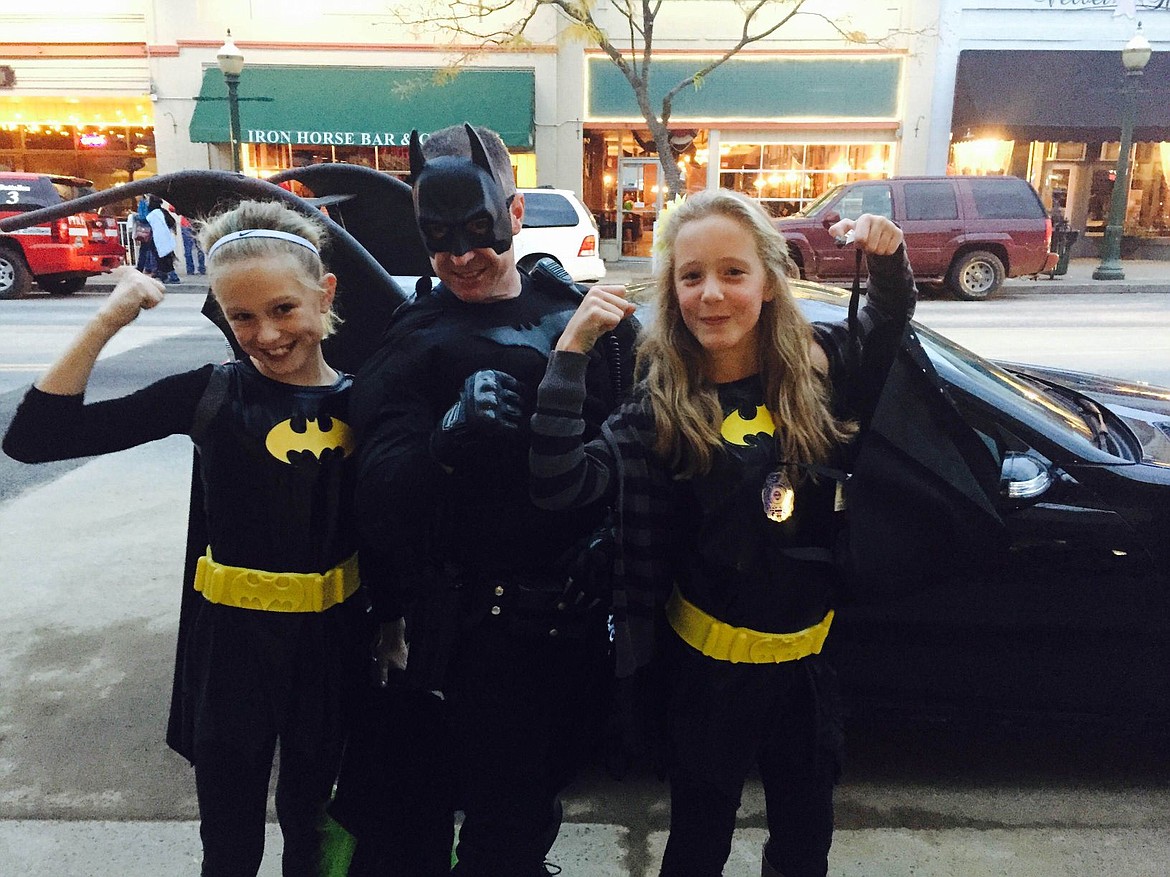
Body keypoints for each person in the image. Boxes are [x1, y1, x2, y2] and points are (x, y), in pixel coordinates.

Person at [528, 189, 916, 877]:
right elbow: (561, 486)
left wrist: (888, 258)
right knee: (697, 844)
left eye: (733, 272)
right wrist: (571, 351)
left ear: (768, 280)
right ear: (672, 290)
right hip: (705, 676)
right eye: (691, 275)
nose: (713, 293)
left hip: (805, 671)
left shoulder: (815, 376)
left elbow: (886, 328)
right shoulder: (660, 404)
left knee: (804, 846)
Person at [2, 199, 369, 877]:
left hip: (332, 648)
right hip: (232, 648)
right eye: (242, 317)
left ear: (325, 295)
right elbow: (34, 437)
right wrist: (110, 316)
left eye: (283, 308)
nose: (265, 334)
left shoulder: (368, 399)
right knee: (229, 841)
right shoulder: (210, 393)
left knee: (312, 830)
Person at [336, 123, 631, 876]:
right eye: (439, 238)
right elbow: (370, 491)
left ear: (516, 213)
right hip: (451, 638)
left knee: (520, 827)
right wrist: (439, 447)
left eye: (479, 231)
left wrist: (609, 542)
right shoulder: (416, 337)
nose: (463, 255)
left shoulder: (578, 315)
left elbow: (633, 449)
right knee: (421, 836)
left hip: (557, 635)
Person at [146, 194, 181, 284]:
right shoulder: (163, 211)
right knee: (167, 258)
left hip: (156, 239)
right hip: (166, 237)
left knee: (161, 259)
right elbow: (172, 222)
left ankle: (169, 276)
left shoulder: (151, 215)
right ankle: (166, 276)